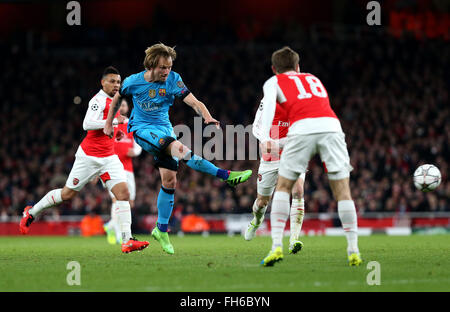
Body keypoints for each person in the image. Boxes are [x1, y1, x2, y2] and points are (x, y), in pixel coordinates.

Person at [103, 43, 252, 255]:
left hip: (165, 129)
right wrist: (110, 123)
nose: (167, 72)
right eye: (163, 67)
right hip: (143, 130)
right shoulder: (133, 82)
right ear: (152, 65)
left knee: (170, 181)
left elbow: (194, 102)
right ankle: (224, 175)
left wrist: (207, 117)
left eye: (169, 67)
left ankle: (161, 230)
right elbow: (117, 98)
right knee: (180, 149)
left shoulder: (174, 79)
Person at [19, 66, 149, 254]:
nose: (116, 85)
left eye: (118, 82)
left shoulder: (114, 100)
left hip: (109, 157)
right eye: (112, 81)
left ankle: (127, 240)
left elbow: (110, 124)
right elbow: (87, 124)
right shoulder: (97, 100)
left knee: (123, 194)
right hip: (89, 157)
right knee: (67, 195)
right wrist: (113, 123)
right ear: (102, 82)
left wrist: (117, 131)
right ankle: (31, 212)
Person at [258, 47, 362, 267]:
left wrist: (267, 137)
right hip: (332, 126)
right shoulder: (313, 78)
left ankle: (276, 246)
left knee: (284, 187)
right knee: (343, 190)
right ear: (298, 66)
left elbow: (268, 109)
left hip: (301, 128)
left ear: (274, 69)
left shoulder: (273, 82)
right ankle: (353, 250)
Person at [246, 98, 306, 255]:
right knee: (262, 202)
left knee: (298, 191)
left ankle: (294, 240)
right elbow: (256, 125)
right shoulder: (269, 99)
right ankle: (256, 221)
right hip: (270, 156)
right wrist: (264, 140)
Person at [103, 98, 143, 245]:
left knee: (129, 201)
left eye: (124, 105)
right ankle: (120, 234)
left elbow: (137, 143)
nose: (122, 107)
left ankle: (111, 225)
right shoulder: (110, 124)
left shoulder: (131, 125)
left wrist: (136, 152)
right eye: (120, 105)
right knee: (117, 198)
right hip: (112, 167)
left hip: (128, 168)